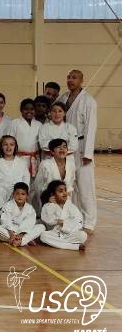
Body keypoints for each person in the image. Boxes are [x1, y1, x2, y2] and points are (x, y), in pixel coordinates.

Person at [57, 69, 97, 233]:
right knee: (69, 186)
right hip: (64, 148)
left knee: (85, 187)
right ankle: (74, 219)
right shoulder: (63, 98)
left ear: (81, 80)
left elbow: (91, 127)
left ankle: (89, 222)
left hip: (81, 146)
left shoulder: (88, 101)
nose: (70, 80)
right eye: (68, 77)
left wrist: (88, 153)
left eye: (74, 77)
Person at [0, 136, 30, 220]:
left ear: (15, 147)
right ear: (1, 147)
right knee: (1, 222)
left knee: (18, 221)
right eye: (5, 144)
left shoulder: (21, 162)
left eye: (11, 144)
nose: (8, 147)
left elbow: (26, 180)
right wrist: (0, 204)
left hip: (17, 196)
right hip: (0, 197)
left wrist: (20, 194)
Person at [40, 180, 87, 251]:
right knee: (43, 236)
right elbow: (47, 220)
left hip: (70, 233)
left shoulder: (70, 206)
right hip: (55, 234)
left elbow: (79, 221)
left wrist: (64, 223)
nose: (64, 193)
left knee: (83, 235)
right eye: (60, 191)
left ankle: (57, 243)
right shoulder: (48, 206)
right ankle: (74, 246)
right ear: (53, 194)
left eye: (65, 190)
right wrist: (56, 220)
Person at [32, 139, 76, 216]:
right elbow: (37, 186)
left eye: (64, 147)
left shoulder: (71, 164)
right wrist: (46, 199)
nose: (62, 149)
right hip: (49, 200)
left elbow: (71, 184)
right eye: (58, 147)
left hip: (66, 200)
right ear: (52, 151)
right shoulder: (45, 164)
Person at [0, 183, 44, 247]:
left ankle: (19, 241)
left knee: (41, 227)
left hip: (23, 232)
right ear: (13, 194)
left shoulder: (30, 208)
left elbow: (29, 223)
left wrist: (21, 234)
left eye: (23, 194)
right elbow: (6, 221)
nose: (20, 196)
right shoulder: (7, 205)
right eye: (17, 194)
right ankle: (25, 240)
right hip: (10, 232)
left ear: (27, 196)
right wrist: (11, 234)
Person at [7, 99, 41, 179]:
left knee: (34, 181)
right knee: (20, 179)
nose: (29, 111)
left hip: (35, 158)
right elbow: (9, 141)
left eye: (32, 109)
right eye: (26, 109)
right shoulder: (14, 123)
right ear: (21, 110)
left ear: (35, 110)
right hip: (19, 158)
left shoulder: (39, 124)